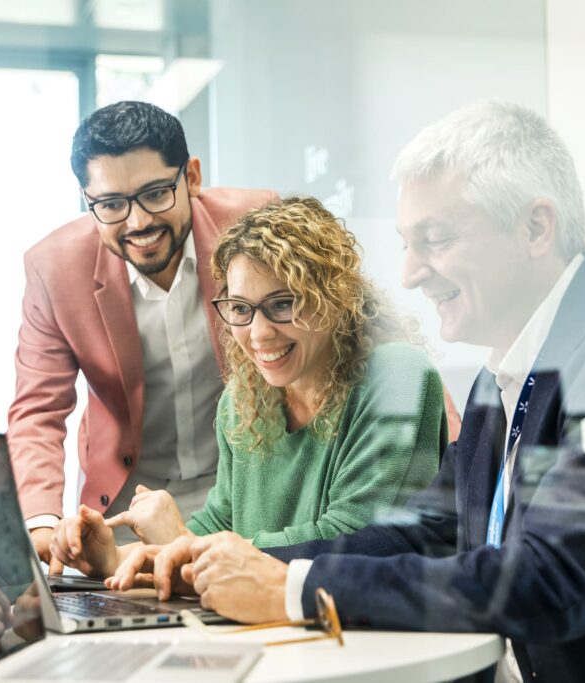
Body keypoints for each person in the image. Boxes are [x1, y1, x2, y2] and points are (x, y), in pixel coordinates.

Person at [112, 102, 585, 683]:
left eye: (436, 241)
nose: (411, 273)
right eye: (408, 245)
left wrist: (295, 588)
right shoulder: (500, 381)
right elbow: (420, 530)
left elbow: (556, 581)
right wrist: (209, 563)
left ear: (536, 228)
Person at [47, 196, 450, 579]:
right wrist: (116, 558)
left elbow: (356, 540)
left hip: (367, 637)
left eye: (282, 304)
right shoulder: (243, 398)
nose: (258, 334)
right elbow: (221, 521)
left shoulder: (397, 375)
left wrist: (186, 545)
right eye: (240, 308)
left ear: (334, 297)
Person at [7, 100, 276, 566]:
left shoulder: (259, 223)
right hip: (128, 511)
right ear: (87, 200)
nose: (137, 222)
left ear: (191, 177)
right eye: (111, 204)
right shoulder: (54, 268)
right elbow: (37, 411)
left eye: (155, 194)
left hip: (252, 492)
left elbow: (349, 339)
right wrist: (42, 523)